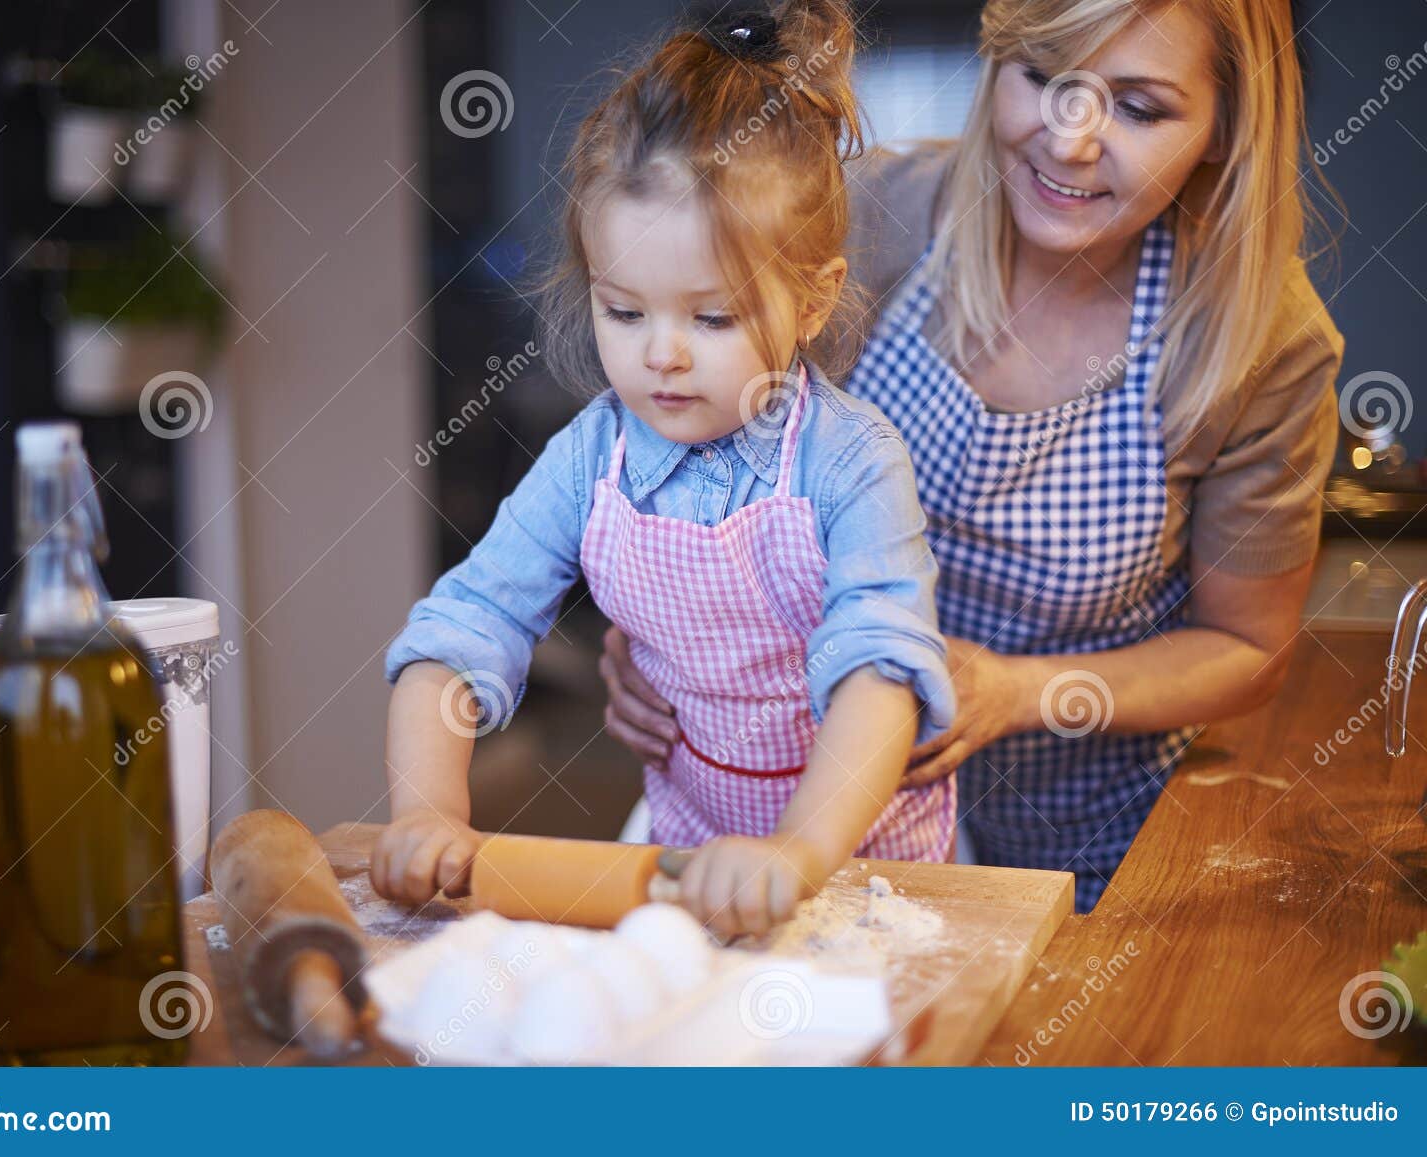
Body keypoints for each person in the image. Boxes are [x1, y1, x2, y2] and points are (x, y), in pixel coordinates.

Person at [601, 0, 1344, 912]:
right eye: (1042, 76)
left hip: (1081, 851)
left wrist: (1017, 690)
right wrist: (653, 628)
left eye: (1141, 109)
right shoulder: (875, 218)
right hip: (807, 821)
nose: (1069, 142)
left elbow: (1246, 648)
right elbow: (691, 444)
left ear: (1227, 125)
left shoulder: (1259, 334)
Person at [373, 0, 957, 937]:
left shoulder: (851, 464)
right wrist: (427, 811)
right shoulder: (587, 460)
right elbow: (464, 627)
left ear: (815, 301)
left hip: (865, 874)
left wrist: (796, 852)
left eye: (712, 318)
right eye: (625, 312)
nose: (663, 356)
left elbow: (878, 673)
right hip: (681, 855)